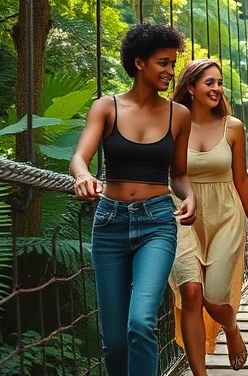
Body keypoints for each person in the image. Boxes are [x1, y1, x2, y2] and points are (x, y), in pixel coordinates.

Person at [70, 23, 196, 376]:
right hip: (109, 222)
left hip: (157, 223)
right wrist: (83, 176)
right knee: (114, 340)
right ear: (139, 63)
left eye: (173, 64)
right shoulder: (106, 107)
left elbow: (180, 175)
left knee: (141, 321)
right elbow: (80, 157)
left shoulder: (179, 115)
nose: (171, 72)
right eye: (163, 63)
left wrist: (189, 197)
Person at [168, 59, 248, 374]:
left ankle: (231, 328)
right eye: (210, 82)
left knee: (216, 297)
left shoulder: (233, 127)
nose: (217, 89)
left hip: (225, 215)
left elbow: (242, 180)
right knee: (191, 292)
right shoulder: (170, 125)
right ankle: (200, 373)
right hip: (183, 213)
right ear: (190, 87)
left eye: (220, 82)